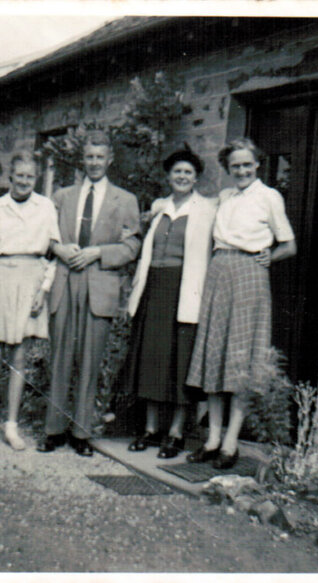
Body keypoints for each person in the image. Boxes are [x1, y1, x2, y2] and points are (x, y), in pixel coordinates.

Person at [185, 137, 297, 469]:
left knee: (240, 356)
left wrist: (269, 257)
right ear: (227, 168)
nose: (242, 170)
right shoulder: (224, 197)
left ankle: (231, 443)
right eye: (235, 166)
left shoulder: (269, 197)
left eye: (247, 164)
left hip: (249, 273)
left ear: (257, 164)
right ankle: (212, 440)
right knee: (215, 354)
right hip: (219, 270)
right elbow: (193, 207)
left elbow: (289, 245)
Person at [39, 129, 142, 457]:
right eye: (89, 157)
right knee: (60, 357)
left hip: (98, 284)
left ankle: (81, 432)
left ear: (109, 159)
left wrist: (98, 253)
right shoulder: (61, 197)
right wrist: (59, 249)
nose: (94, 163)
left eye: (100, 157)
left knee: (90, 359)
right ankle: (53, 429)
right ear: (81, 160)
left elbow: (132, 246)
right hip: (64, 281)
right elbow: (44, 235)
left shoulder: (125, 200)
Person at [123, 149, 217, 459]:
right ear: (168, 176)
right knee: (152, 358)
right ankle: (151, 429)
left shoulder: (207, 209)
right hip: (154, 287)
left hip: (185, 289)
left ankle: (175, 433)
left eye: (188, 172)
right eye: (177, 171)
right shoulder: (159, 207)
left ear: (196, 178)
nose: (182, 177)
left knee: (180, 361)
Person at [0, 151, 61, 450]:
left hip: (30, 279)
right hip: (0, 278)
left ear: (36, 179)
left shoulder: (45, 207)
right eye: (20, 175)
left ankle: (11, 426)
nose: (24, 181)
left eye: (30, 176)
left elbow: (53, 252)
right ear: (10, 176)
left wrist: (43, 289)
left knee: (19, 359)